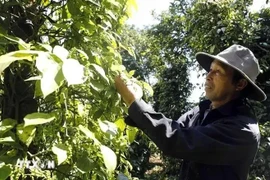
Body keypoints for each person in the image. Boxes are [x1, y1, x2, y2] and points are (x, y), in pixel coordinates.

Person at [114, 44, 267, 180]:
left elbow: (176, 139)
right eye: (210, 70)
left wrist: (134, 102)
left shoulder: (242, 130)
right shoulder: (202, 111)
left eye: (218, 72)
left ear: (240, 84)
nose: (208, 76)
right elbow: (171, 129)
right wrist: (132, 107)